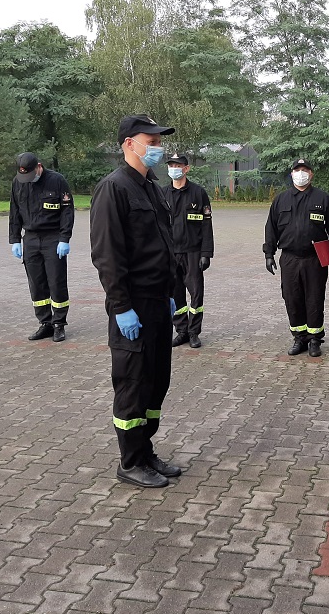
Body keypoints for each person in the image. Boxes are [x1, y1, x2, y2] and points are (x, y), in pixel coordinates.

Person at [90, 114, 181, 488]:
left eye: (159, 142)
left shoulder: (152, 188)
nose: (158, 148)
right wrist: (121, 306)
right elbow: (107, 255)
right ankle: (129, 462)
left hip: (158, 301)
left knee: (156, 382)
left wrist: (171, 295)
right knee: (132, 384)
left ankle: (145, 451)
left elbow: (165, 246)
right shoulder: (113, 188)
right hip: (133, 305)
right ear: (129, 143)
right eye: (152, 141)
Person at [263, 158, 329, 358]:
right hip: (289, 258)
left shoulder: (322, 199)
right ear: (291, 174)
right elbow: (271, 228)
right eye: (297, 170)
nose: (301, 173)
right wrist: (269, 254)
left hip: (314, 259)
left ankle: (315, 339)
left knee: (314, 299)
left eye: (305, 170)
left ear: (311, 174)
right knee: (292, 299)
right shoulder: (281, 200)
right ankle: (299, 338)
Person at [9, 153, 75, 342]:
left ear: (39, 166)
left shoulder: (57, 181)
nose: (28, 179)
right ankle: (45, 323)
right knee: (36, 283)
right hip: (30, 238)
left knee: (56, 282)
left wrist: (64, 238)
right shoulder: (18, 182)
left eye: (31, 174)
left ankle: (59, 323)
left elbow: (67, 210)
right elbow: (14, 211)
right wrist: (15, 239)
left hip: (52, 238)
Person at [163, 153, 214, 349]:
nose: (174, 169)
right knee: (175, 295)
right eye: (171, 165)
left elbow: (206, 226)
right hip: (170, 254)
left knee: (196, 294)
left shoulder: (198, 193)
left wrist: (206, 253)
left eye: (178, 166)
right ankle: (181, 331)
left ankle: (194, 333)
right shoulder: (162, 194)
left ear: (186, 169)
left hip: (193, 252)